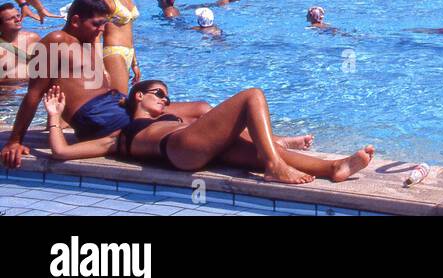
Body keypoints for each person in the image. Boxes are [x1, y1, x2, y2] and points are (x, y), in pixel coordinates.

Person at [2, 0, 209, 168]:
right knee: (188, 127)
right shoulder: (56, 41)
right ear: (75, 21)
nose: (102, 30)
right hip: (99, 118)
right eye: (97, 24)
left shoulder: (89, 42)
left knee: (201, 108)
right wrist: (15, 140)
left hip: (117, 106)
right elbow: (34, 93)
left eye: (104, 24)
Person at [42, 81, 374, 186]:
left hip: (196, 148)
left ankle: (333, 168)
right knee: (252, 95)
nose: (166, 99)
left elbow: (202, 107)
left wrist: (272, 140)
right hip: (179, 149)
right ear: (138, 96)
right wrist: (55, 117)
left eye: (169, 96)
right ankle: (275, 166)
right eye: (159, 93)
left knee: (261, 150)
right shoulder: (121, 132)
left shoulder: (172, 114)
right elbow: (62, 152)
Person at [101, 0, 143, 92]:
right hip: (113, 52)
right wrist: (96, 65)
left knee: (117, 100)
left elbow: (129, 31)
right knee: (121, 99)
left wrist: (135, 63)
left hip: (128, 53)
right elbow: (94, 33)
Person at [0, 2, 39, 83]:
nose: (18, 20)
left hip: (33, 87)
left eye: (18, 15)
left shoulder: (33, 38)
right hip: (7, 91)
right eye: (11, 18)